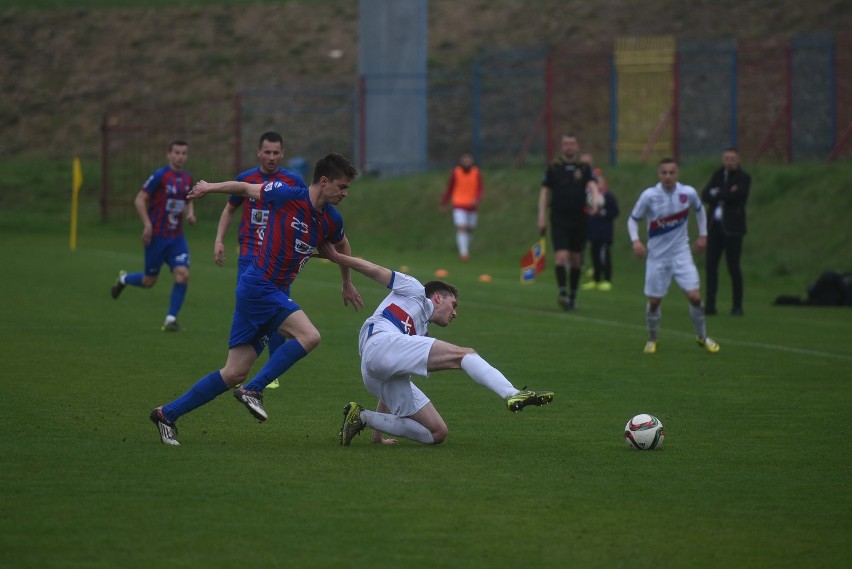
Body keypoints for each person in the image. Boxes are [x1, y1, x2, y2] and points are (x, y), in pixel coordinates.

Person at [149, 153, 364, 445]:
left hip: (265, 292)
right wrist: (209, 187)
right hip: (259, 286)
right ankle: (254, 390)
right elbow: (245, 188)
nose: (345, 193)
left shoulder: (330, 219)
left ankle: (167, 414)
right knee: (310, 336)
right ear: (324, 181)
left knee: (233, 372)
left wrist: (346, 282)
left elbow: (342, 244)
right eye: (342, 186)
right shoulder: (287, 195)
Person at [320, 242, 554, 447]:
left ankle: (362, 417)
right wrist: (339, 258)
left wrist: (377, 436)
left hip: (374, 370)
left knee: (437, 432)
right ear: (438, 297)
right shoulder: (416, 290)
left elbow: (392, 370)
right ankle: (512, 393)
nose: (455, 314)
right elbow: (377, 271)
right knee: (464, 355)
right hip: (380, 342)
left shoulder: (419, 331)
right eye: (453, 305)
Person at [214, 131, 306, 388]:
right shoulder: (246, 179)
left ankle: (272, 370)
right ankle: (235, 364)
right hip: (249, 257)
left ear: (283, 154)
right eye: (267, 152)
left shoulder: (292, 181)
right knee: (247, 307)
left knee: (280, 311)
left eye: (277, 152)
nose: (272, 157)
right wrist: (219, 239)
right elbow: (230, 207)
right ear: (259, 153)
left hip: (279, 261)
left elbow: (304, 213)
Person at [627, 158, 720, 355]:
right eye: (664, 173)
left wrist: (704, 235)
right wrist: (636, 241)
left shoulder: (687, 193)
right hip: (657, 257)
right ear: (658, 174)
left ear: (677, 173)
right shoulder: (649, 196)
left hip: (681, 254)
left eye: (672, 172)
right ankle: (652, 339)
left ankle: (702, 336)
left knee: (695, 297)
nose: (668, 176)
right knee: (654, 302)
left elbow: (700, 210)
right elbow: (633, 220)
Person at [111, 140, 196, 331]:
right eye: (176, 152)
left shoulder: (188, 179)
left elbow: (188, 199)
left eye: (184, 153)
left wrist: (190, 212)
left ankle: (170, 320)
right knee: (149, 281)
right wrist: (147, 224)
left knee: (183, 274)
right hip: (157, 237)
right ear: (169, 154)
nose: (180, 156)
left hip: (176, 238)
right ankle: (124, 279)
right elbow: (140, 199)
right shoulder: (160, 176)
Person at [538, 133, 600, 310]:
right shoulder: (553, 168)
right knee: (561, 257)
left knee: (576, 260)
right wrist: (541, 217)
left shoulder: (584, 167)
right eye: (566, 144)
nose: (569, 147)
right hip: (559, 217)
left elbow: (593, 186)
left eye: (572, 143)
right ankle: (563, 293)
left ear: (577, 146)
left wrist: (595, 201)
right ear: (562, 146)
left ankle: (572, 296)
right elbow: (544, 193)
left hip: (580, 218)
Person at [701, 148, 751, 316]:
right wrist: (724, 193)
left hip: (733, 229)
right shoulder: (717, 174)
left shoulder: (743, 178)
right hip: (714, 227)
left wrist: (720, 193)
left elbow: (737, 196)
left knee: (733, 267)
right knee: (711, 266)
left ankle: (737, 306)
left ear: (738, 160)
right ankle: (710, 305)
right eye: (726, 158)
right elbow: (706, 194)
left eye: (732, 159)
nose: (729, 161)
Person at [580, 156, 619, 292]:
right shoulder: (590, 197)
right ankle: (596, 280)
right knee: (594, 256)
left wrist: (602, 213)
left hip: (604, 233)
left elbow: (615, 212)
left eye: (599, 182)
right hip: (593, 232)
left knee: (604, 257)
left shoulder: (608, 197)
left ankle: (607, 280)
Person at [440, 152, 483, 262]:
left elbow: (480, 188)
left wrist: (477, 199)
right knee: (462, 227)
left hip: (472, 206)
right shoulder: (456, 172)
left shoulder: (476, 172)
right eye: (465, 160)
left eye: (468, 160)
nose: (467, 162)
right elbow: (450, 188)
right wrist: (444, 202)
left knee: (470, 229)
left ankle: (466, 248)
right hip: (459, 204)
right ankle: (464, 253)